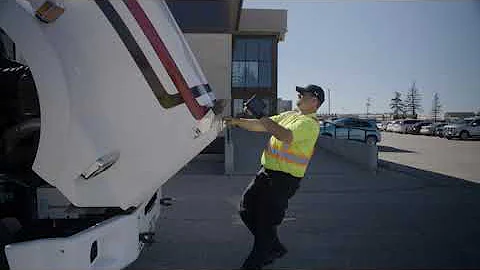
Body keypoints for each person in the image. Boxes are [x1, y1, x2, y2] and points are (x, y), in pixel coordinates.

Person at [224, 84, 324, 269]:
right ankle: (274, 247)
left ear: (314, 101)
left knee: (264, 228)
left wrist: (259, 114)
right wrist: (237, 121)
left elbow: (284, 135)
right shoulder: (291, 115)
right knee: (245, 210)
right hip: (266, 173)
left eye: (304, 93)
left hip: (283, 181)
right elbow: (262, 125)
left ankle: (264, 251)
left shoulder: (310, 124)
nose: (299, 95)